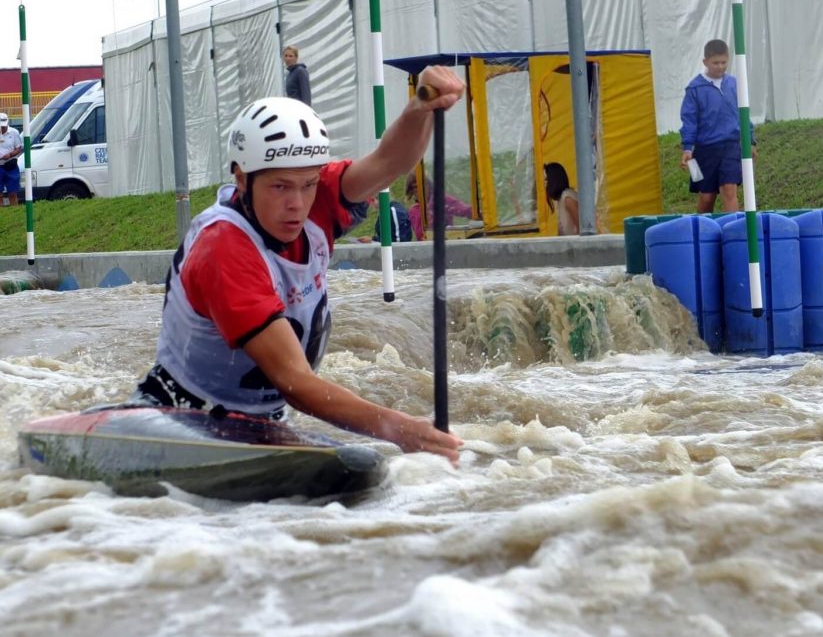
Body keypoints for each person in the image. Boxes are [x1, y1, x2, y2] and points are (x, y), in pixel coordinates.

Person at [130, 66, 465, 464]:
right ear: (241, 179)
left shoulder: (314, 197)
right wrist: (400, 430)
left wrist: (420, 108)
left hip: (260, 421)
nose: (297, 204)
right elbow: (295, 381)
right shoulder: (224, 248)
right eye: (279, 187)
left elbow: (390, 163)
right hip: (182, 417)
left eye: (307, 184)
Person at [679, 39, 756, 214]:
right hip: (706, 148)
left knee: (729, 189)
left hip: (730, 146)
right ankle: (704, 231)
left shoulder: (735, 84)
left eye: (723, 62)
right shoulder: (694, 89)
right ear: (705, 62)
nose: (720, 67)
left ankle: (733, 233)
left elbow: (744, 113)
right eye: (715, 63)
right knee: (707, 197)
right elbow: (689, 120)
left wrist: (750, 140)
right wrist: (687, 148)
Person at [405, 172, 471, 241]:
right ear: (410, 191)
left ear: (429, 185)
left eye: (423, 185)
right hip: (425, 248)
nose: (419, 190)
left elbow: (465, 210)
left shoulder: (441, 200)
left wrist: (479, 213)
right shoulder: (414, 211)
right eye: (415, 187)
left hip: (446, 244)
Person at [543, 162, 578, 235]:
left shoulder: (567, 198)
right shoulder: (560, 199)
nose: (545, 184)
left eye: (546, 180)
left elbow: (582, 228)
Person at [0, 112, 23, 207]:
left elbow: (19, 148)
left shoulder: (14, 132)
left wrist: (10, 154)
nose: (2, 129)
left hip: (10, 166)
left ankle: (15, 212)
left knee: (13, 193)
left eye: (3, 127)